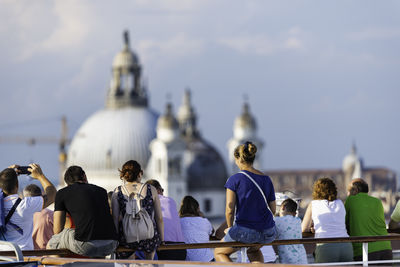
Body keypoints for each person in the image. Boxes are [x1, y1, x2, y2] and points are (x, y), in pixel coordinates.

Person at [214, 141, 276, 263]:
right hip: (268, 231)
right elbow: (273, 209)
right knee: (253, 250)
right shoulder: (266, 179)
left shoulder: (234, 180)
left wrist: (230, 228)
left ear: (237, 159)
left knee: (219, 252)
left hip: (245, 231)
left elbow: (230, 208)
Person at [47, 166, 118, 257]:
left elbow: (57, 230)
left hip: (85, 246)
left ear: (67, 183)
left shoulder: (62, 193)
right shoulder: (102, 191)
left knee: (52, 244)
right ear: (84, 176)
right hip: (111, 244)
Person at [111, 160, 164, 260]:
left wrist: (116, 239)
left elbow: (115, 217)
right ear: (140, 173)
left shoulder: (117, 191)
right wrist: (162, 240)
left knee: (128, 261)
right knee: (150, 259)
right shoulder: (151, 189)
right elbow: (159, 218)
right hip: (148, 237)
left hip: (127, 236)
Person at [0, 164, 56, 250]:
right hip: (23, 258)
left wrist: (6, 174)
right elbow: (53, 194)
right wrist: (40, 176)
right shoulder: (25, 205)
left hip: (3, 258)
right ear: (17, 185)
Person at [302, 177, 353, 263]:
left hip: (326, 246)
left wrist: (314, 230)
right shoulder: (340, 203)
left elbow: (303, 229)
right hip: (346, 245)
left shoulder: (313, 204)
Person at [345, 178, 392, 261]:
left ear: (355, 190)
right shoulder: (378, 202)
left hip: (365, 251)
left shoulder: (350, 200)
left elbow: (343, 224)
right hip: (385, 248)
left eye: (349, 190)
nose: (347, 193)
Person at [146, 179, 186, 260]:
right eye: (162, 190)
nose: (163, 193)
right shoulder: (170, 200)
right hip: (182, 247)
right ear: (158, 190)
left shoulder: (149, 203)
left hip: (164, 246)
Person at [179, 195, 214, 262]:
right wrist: (203, 217)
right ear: (197, 209)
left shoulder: (178, 221)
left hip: (186, 261)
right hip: (206, 260)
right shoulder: (204, 221)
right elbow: (212, 231)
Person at [274, 198, 307, 264]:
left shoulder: (277, 221)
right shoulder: (298, 220)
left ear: (283, 207)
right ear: (294, 213)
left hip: (287, 260)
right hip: (302, 259)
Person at [23, 184, 54, 250]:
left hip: (28, 255)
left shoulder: (22, 215)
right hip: (49, 255)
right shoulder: (50, 214)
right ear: (41, 197)